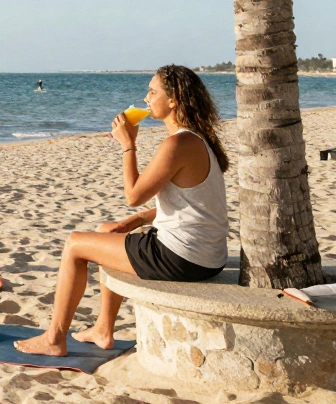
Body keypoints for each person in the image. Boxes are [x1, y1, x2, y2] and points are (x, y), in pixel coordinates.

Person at [15, 65, 229, 356]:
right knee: (106, 231)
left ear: (173, 100)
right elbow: (192, 202)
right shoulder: (196, 139)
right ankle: (104, 329)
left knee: (75, 244)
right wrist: (135, 221)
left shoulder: (178, 143)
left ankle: (54, 338)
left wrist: (128, 145)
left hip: (182, 258)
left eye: (153, 92)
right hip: (208, 258)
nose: (146, 98)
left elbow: (133, 194)